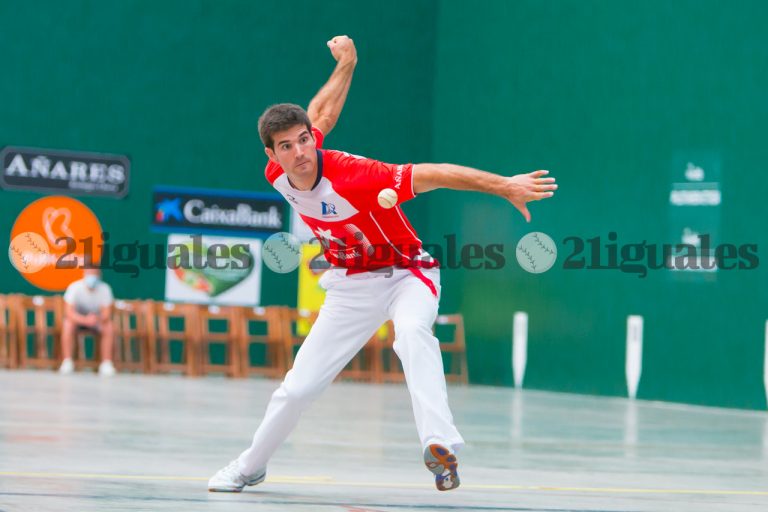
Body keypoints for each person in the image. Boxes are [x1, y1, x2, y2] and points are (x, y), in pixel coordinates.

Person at [209, 35, 556, 493]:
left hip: (408, 273)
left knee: (411, 333)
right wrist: (347, 63)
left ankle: (439, 444)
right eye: (287, 146)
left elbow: (435, 173)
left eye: (304, 140)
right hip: (350, 286)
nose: (301, 151)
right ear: (272, 156)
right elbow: (322, 112)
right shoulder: (279, 175)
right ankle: (250, 466)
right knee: (297, 388)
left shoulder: (358, 176)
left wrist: (504, 186)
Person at [59, 268, 116, 376]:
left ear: (99, 275)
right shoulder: (74, 287)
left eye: (95, 273)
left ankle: (106, 363)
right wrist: (84, 320)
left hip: (96, 322)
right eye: (90, 273)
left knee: (109, 326)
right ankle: (67, 362)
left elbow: (106, 314)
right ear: (84, 274)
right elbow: (69, 312)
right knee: (67, 324)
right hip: (78, 320)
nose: (92, 276)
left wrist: (96, 319)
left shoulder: (105, 289)